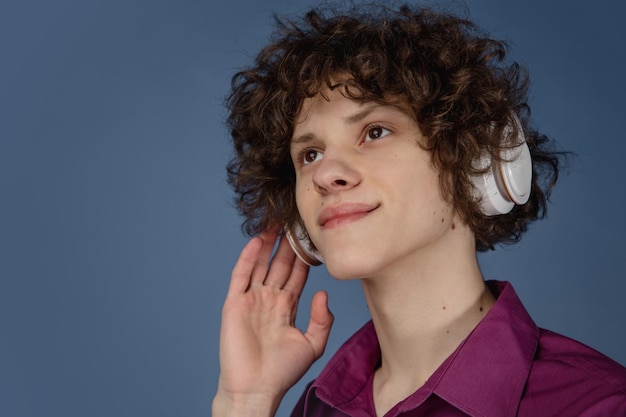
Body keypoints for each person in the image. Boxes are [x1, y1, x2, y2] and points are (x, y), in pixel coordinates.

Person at [212, 3, 626, 416]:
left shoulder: (599, 405)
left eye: (374, 132)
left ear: (476, 160)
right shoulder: (316, 408)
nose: (326, 174)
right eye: (310, 154)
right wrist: (245, 403)